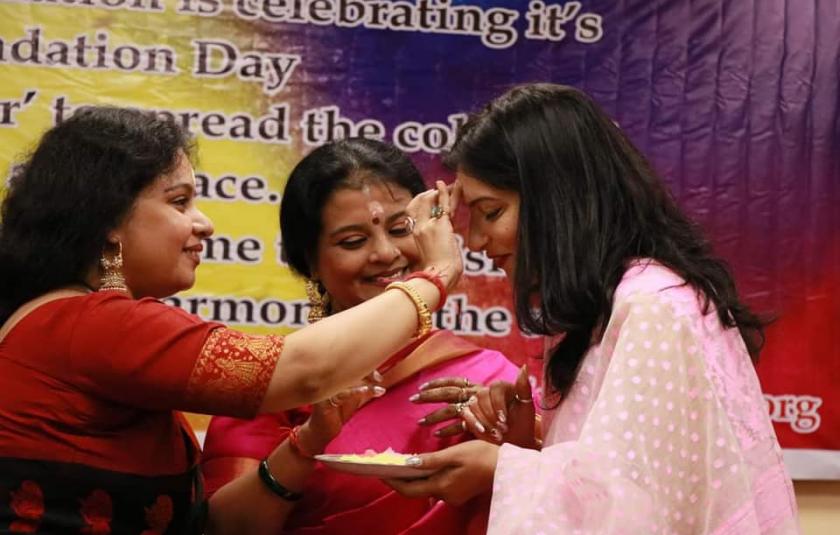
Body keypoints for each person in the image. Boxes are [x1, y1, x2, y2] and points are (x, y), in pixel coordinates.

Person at [0, 107, 462, 534]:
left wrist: (307, 442)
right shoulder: (90, 324)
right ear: (109, 223)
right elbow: (303, 370)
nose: (205, 224)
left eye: (399, 230)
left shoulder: (71, 319)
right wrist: (436, 276)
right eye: (179, 202)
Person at [386, 84, 800, 534]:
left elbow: (635, 509)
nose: (480, 242)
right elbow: (626, 473)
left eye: (490, 211)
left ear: (557, 200)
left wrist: (499, 469)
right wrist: (527, 441)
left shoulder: (649, 307)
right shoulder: (608, 304)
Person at [201, 137, 519, 534]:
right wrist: (306, 443)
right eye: (353, 241)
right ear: (310, 262)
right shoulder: (276, 383)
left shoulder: (490, 380)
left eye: (401, 228)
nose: (385, 253)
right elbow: (222, 526)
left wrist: (513, 433)